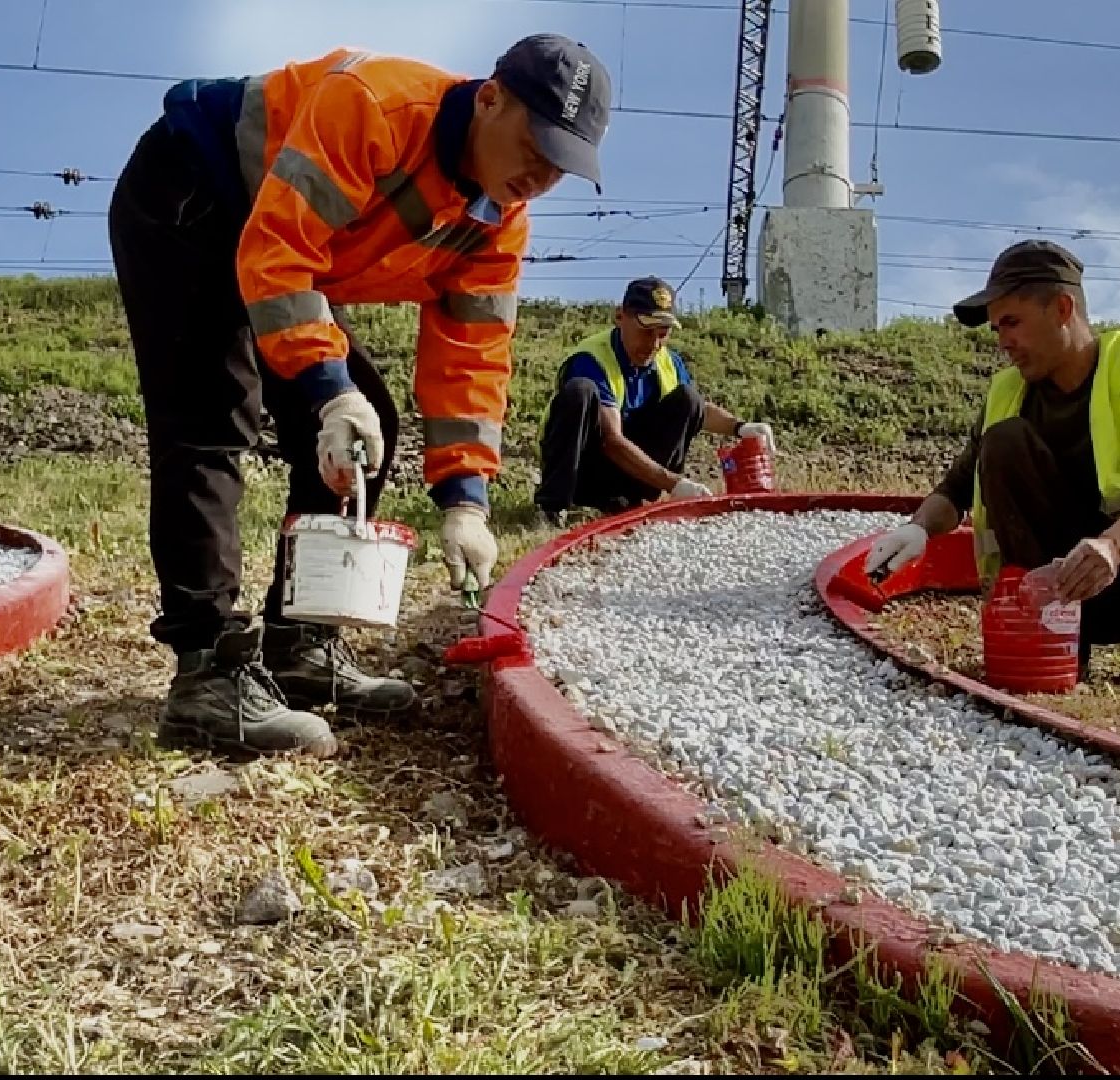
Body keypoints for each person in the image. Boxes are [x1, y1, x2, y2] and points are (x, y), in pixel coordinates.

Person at [108, 35, 612, 758]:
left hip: (280, 246)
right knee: (212, 418)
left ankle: (300, 644)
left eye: (563, 165)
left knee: (365, 421)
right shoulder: (375, 107)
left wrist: (466, 500)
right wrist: (326, 391)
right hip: (195, 189)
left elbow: (470, 358)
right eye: (537, 145)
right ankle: (207, 677)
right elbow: (278, 253)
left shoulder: (497, 222)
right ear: (491, 99)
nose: (541, 174)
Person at [863, 240, 1120, 688]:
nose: (1003, 343)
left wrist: (1112, 547)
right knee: (1003, 442)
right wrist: (917, 529)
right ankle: (1054, 645)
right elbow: (956, 488)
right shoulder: (1006, 395)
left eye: (1011, 323)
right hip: (1059, 592)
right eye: (997, 329)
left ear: (1061, 307)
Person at [532, 276, 775, 524]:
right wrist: (674, 483)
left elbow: (700, 410)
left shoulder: (665, 360)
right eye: (646, 331)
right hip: (585, 472)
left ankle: (631, 501)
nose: (654, 344)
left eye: (663, 333)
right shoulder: (591, 359)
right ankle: (553, 507)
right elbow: (611, 441)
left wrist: (740, 427)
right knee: (580, 391)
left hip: (629, 472)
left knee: (688, 399)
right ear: (620, 317)